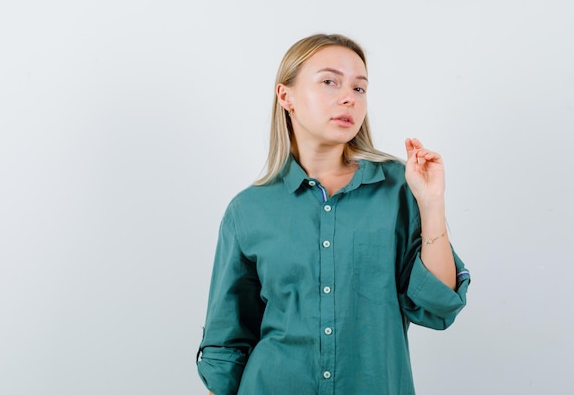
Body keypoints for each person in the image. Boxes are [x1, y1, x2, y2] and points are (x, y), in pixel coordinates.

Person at [196, 33, 470, 395]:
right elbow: (226, 342)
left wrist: (431, 203)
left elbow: (438, 306)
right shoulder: (248, 210)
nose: (348, 98)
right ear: (286, 96)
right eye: (330, 82)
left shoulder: (398, 187)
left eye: (359, 89)